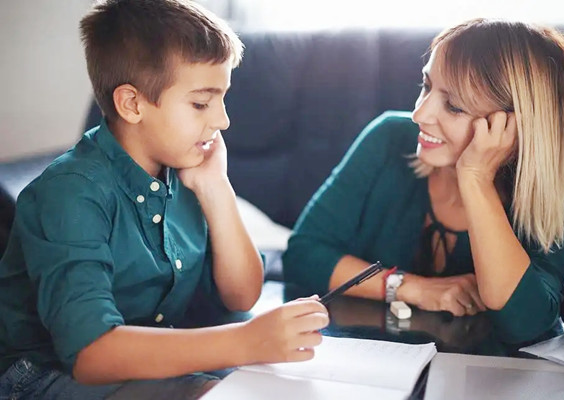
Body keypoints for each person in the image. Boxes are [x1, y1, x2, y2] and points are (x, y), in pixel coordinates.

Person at [0, 1, 328, 399]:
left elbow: (241, 294)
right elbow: (91, 355)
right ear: (132, 104)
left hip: (154, 352)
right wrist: (245, 341)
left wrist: (216, 189)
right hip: (43, 374)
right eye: (201, 103)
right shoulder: (70, 194)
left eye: (222, 99)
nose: (222, 120)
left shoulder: (185, 169)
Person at [283, 19, 564, 345]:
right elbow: (302, 256)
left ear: (513, 127)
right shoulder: (388, 138)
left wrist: (476, 180)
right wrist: (414, 289)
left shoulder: (548, 195)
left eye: (454, 106)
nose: (420, 114)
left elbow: (526, 323)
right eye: (426, 86)